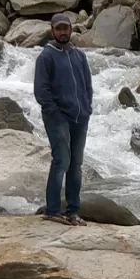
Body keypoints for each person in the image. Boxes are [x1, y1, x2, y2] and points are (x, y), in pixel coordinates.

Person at [33, 12, 92, 225]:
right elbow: (41, 90)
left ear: (70, 29)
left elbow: (87, 86)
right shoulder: (46, 56)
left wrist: (87, 108)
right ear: (52, 30)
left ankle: (73, 211)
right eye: (58, 29)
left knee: (76, 164)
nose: (62, 32)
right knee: (61, 161)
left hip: (80, 116)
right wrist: (55, 112)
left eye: (65, 28)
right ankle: (53, 210)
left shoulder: (79, 55)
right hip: (57, 117)